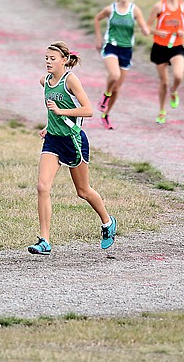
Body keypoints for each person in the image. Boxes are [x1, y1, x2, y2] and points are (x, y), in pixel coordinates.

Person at [28, 41, 117, 255]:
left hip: (73, 140)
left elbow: (88, 110)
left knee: (83, 191)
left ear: (64, 60)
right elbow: (53, 111)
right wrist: (49, 125)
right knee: (42, 187)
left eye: (53, 58)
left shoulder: (71, 80)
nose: (48, 62)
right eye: (46, 58)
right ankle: (45, 241)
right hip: (53, 141)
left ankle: (107, 222)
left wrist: (60, 113)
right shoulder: (45, 81)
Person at [94, 0, 149, 129]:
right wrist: (98, 38)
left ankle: (106, 115)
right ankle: (105, 96)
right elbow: (97, 19)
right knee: (114, 75)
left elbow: (144, 25)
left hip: (126, 50)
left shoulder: (134, 10)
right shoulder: (110, 9)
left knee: (117, 88)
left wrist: (145, 30)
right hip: (111, 47)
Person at [146, 0, 184, 124]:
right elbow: (147, 27)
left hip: (177, 47)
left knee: (178, 76)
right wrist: (157, 31)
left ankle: (174, 91)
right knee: (164, 82)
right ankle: (161, 111)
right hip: (160, 47)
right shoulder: (159, 7)